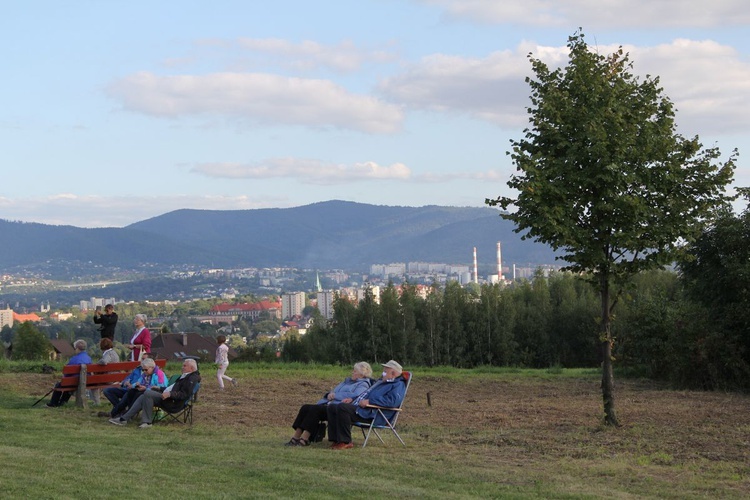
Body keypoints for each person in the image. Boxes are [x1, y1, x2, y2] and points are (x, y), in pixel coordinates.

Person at [286, 361, 372, 447]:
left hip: (336, 408)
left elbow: (355, 396)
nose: (352, 372)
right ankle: (295, 437)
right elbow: (333, 391)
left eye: (355, 371)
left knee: (315, 410)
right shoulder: (347, 381)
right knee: (305, 407)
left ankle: (304, 439)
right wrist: (329, 394)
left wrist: (335, 396)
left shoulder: (363, 385)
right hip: (328, 403)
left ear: (362, 374)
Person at [326, 360, 406, 450]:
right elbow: (366, 394)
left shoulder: (398, 385)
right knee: (332, 407)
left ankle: (345, 441)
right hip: (363, 409)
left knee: (342, 407)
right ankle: (336, 440)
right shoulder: (381, 382)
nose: (382, 373)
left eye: (385, 371)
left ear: (393, 373)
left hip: (373, 414)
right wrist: (353, 399)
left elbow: (392, 401)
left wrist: (370, 401)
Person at [109, 358, 201, 429]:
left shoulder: (192, 379)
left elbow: (184, 394)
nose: (182, 367)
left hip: (173, 403)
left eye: (184, 366)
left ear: (191, 368)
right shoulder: (185, 376)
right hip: (168, 398)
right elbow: (173, 388)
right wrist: (159, 388)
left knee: (148, 393)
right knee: (142, 396)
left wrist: (170, 394)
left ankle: (147, 422)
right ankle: (124, 419)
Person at [46, 339, 92, 408]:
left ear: (77, 348)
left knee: (60, 385)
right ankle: (62, 403)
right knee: (68, 384)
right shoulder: (88, 358)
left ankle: (53, 403)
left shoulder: (74, 359)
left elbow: (67, 373)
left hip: (74, 382)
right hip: (86, 381)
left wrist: (65, 378)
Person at [89, 337, 120, 405]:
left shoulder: (108, 354)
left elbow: (104, 361)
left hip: (109, 379)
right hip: (116, 377)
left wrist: (97, 363)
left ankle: (96, 402)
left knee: (92, 381)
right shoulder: (114, 353)